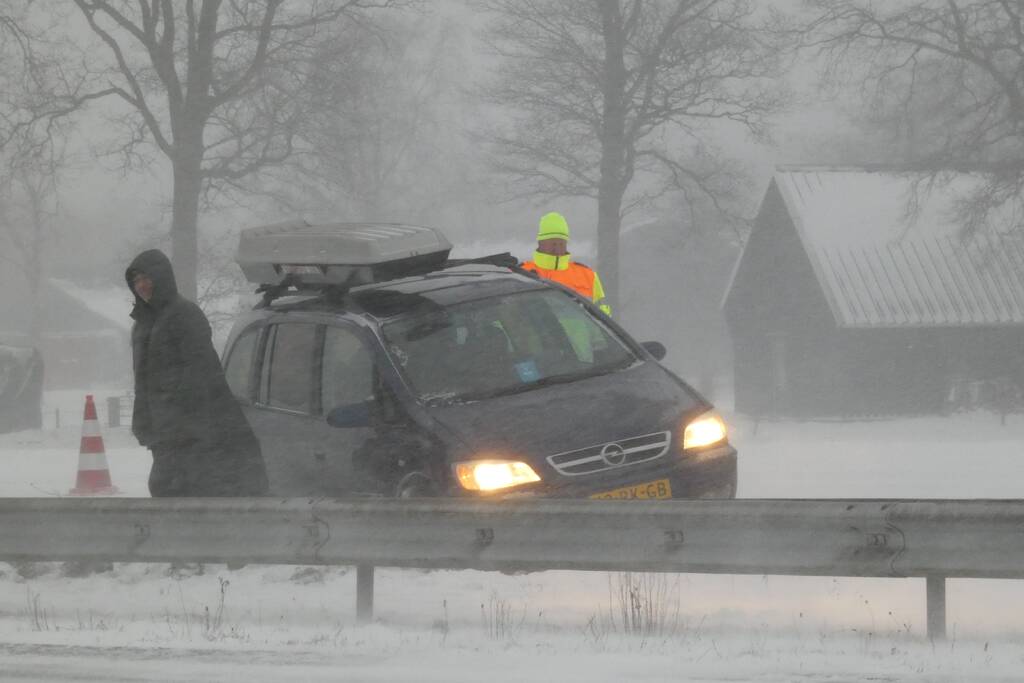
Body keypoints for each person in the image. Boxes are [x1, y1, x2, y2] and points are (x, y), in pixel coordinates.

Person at [126, 249, 268, 497]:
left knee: (188, 493)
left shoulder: (184, 314)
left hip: (195, 433)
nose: (141, 286)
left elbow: (202, 374)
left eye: (146, 278)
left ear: (161, 278)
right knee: (168, 492)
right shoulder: (142, 324)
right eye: (136, 281)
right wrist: (143, 421)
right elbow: (144, 382)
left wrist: (181, 421)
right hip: (165, 434)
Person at [520, 212, 612, 316]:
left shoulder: (588, 276)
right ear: (540, 243)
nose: (557, 248)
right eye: (552, 243)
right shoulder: (522, 273)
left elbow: (603, 316)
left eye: (561, 243)